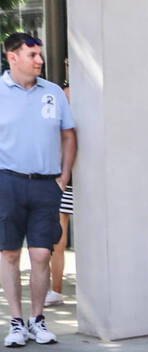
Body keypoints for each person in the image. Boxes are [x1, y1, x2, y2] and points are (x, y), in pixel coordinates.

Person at [1, 32, 76, 348]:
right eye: (32, 55)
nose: (40, 60)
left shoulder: (54, 92)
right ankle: (16, 321)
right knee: (9, 253)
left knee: (42, 253)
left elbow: (69, 135)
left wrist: (63, 176)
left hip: (46, 184)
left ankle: (37, 319)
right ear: (12, 57)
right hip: (8, 182)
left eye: (40, 54)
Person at [46, 82, 73, 306]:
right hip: (66, 182)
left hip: (91, 183)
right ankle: (56, 290)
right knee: (58, 238)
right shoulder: (58, 122)